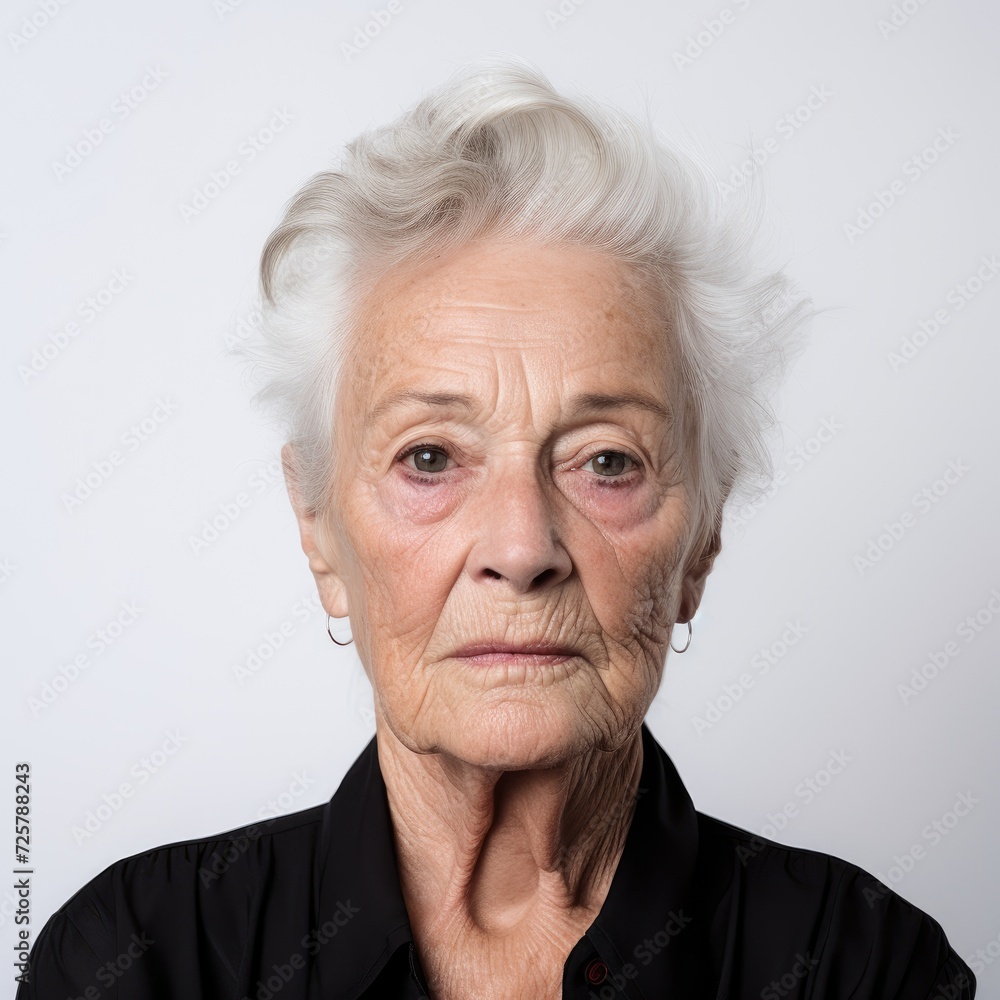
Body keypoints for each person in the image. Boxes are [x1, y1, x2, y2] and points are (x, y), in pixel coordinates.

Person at [20, 56, 975, 1000]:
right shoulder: (142, 960)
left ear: (703, 538)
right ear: (319, 529)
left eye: (607, 462)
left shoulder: (864, 970)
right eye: (430, 457)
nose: (521, 551)